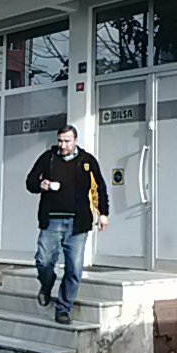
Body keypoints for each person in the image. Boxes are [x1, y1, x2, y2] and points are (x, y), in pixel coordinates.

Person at [25, 124, 109, 325]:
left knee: (74, 269)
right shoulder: (48, 158)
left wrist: (103, 213)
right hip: (51, 221)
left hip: (77, 224)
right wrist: (40, 185)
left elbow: (99, 188)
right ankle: (47, 284)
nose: (63, 145)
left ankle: (63, 309)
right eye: (60, 141)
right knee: (43, 261)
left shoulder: (87, 161)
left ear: (75, 141)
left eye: (67, 141)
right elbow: (30, 182)